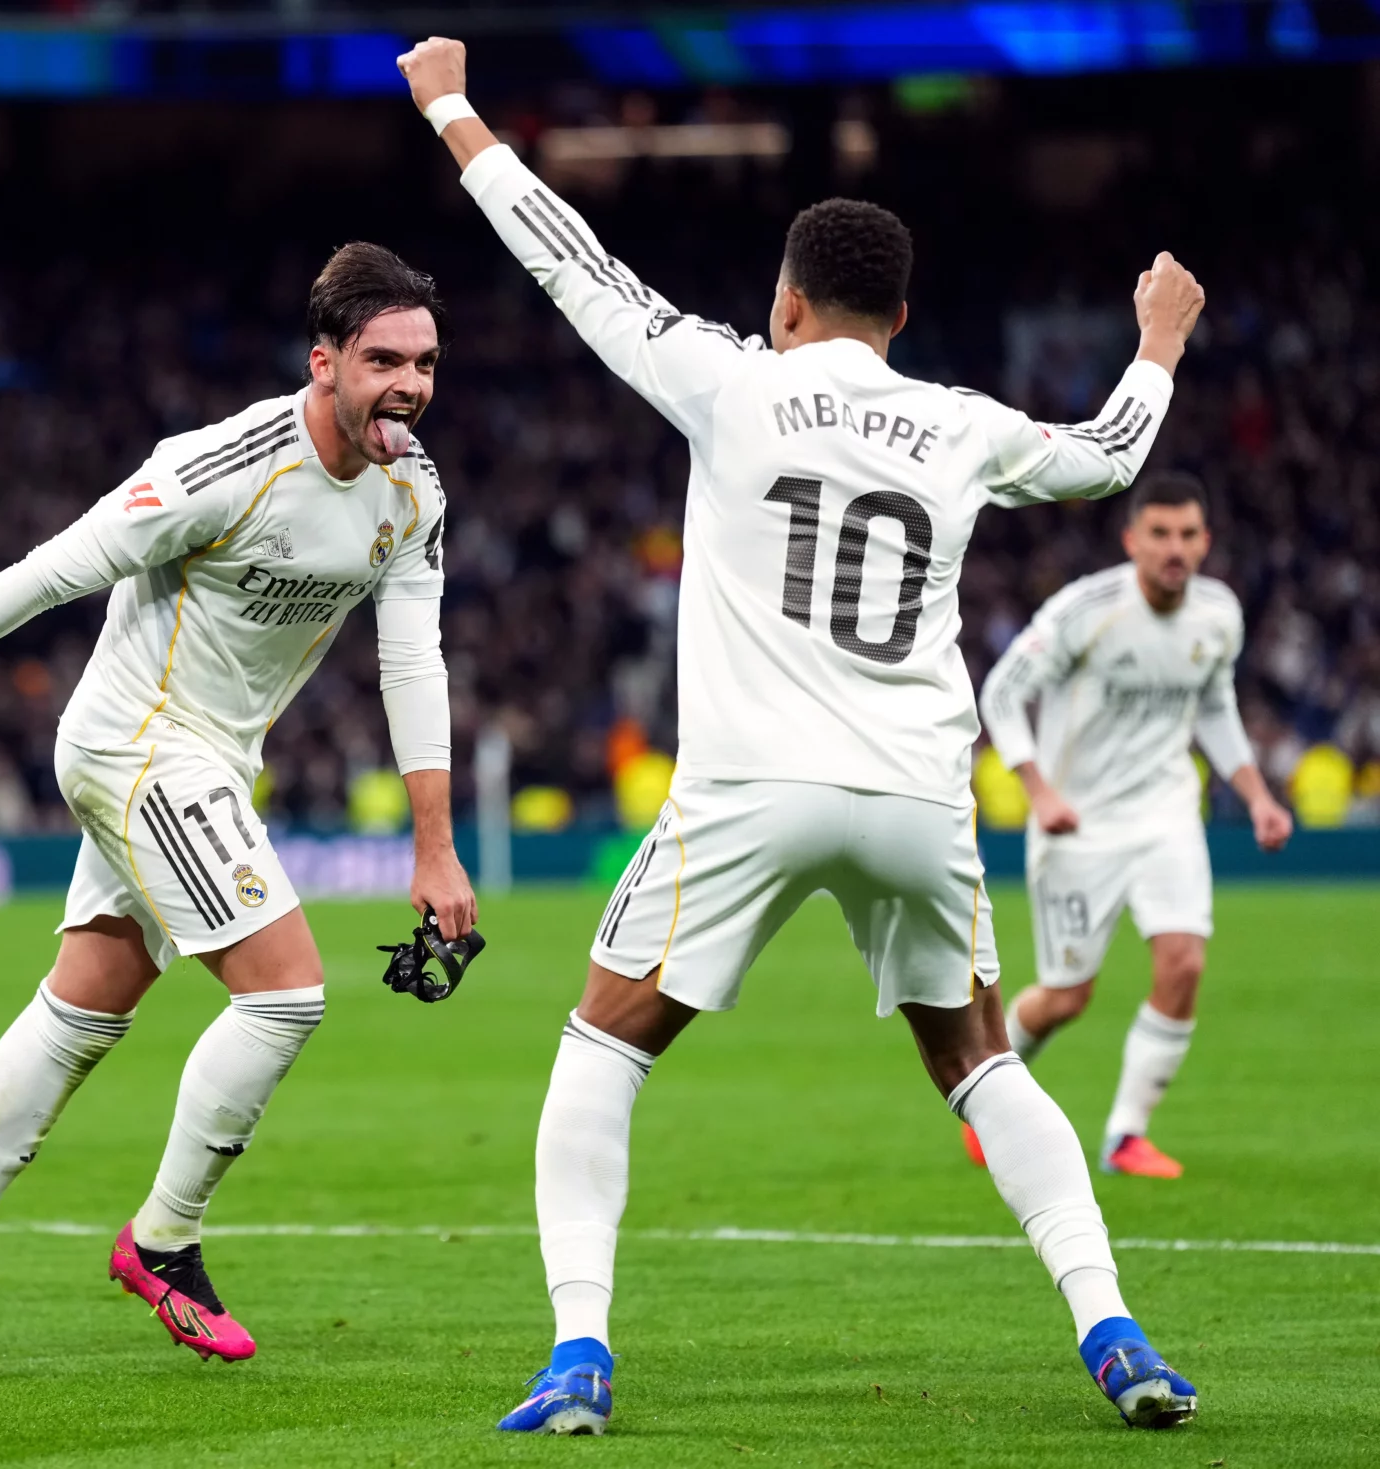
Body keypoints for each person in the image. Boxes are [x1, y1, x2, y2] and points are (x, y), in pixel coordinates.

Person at [396, 36, 1207, 1436]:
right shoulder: (960, 423)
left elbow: (569, 260)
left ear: (785, 303)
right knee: (983, 1061)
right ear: (900, 317)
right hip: (915, 793)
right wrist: (1158, 346)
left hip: (751, 787)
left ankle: (578, 1356)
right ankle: (1115, 1329)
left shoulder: (728, 378)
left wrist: (455, 109)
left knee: (603, 1045)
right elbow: (1111, 458)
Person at [0, 243, 475, 1372]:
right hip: (136, 746)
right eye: (384, 360)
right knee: (286, 994)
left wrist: (435, 845)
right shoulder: (220, 466)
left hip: (212, 761)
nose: (410, 384)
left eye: (426, 363)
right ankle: (164, 1240)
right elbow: (52, 570)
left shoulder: (413, 490)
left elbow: (413, 662)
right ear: (325, 361)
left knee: (80, 1009)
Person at [975, 472, 1292, 1178]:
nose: (1174, 548)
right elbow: (1000, 693)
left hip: (1167, 815)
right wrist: (1039, 792)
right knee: (1066, 997)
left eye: (1187, 535)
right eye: (1160, 534)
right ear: (1132, 541)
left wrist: (1257, 796)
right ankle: (989, 1101)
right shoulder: (1085, 610)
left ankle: (1125, 1135)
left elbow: (1215, 706)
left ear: (1205, 541)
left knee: (1184, 961)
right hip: (1078, 827)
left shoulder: (1219, 615)